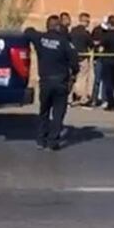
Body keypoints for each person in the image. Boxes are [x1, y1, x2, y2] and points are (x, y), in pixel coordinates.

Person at [24, 15, 78, 150]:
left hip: (45, 82)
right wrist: (73, 77)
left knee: (44, 112)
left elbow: (28, 31)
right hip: (60, 82)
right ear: (58, 26)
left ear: (47, 26)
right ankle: (53, 141)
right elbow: (75, 63)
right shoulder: (65, 42)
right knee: (58, 113)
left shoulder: (39, 38)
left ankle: (41, 140)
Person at [69, 12, 92, 106]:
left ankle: (70, 97)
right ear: (85, 21)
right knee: (82, 77)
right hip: (83, 57)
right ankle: (81, 96)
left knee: (72, 77)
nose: (89, 23)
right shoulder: (86, 33)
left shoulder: (72, 31)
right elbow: (91, 44)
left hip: (72, 57)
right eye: (88, 21)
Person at [89, 14, 112, 108]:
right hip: (98, 58)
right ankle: (94, 99)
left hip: (107, 59)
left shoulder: (110, 32)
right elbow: (91, 42)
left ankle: (104, 99)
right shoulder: (97, 30)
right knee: (97, 80)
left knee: (106, 80)